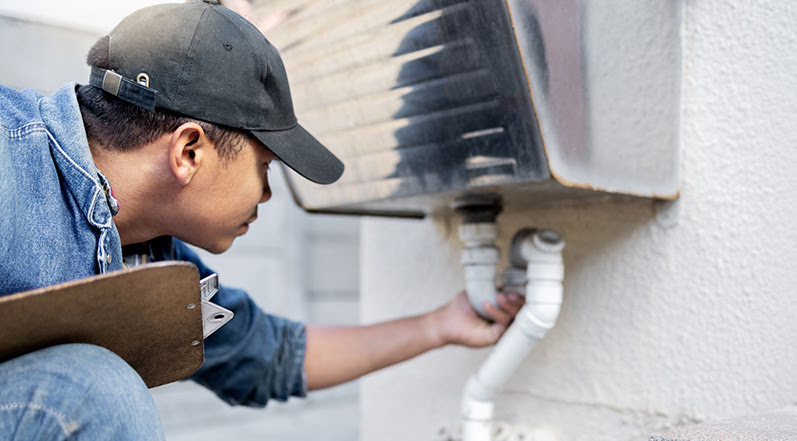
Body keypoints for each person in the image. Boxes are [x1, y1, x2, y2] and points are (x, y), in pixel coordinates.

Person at [0, 1, 524, 439]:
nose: (268, 193)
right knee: (95, 392)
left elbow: (270, 355)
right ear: (188, 151)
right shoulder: (9, 164)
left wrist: (440, 325)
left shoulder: (148, 254)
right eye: (265, 167)